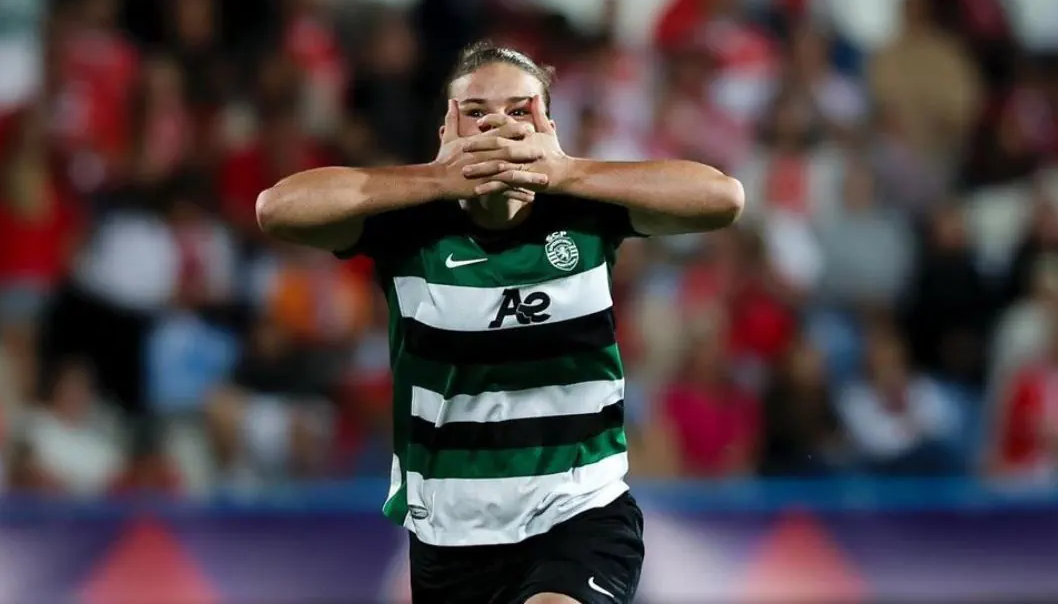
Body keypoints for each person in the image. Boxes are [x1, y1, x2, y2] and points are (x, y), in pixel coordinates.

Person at [255, 41, 745, 604]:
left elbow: (722, 198)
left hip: (578, 512)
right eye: (477, 112)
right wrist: (438, 180)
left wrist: (568, 171)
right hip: (450, 536)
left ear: (547, 127)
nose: (498, 127)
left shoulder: (585, 208)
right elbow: (277, 209)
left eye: (519, 111)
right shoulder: (408, 225)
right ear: (447, 130)